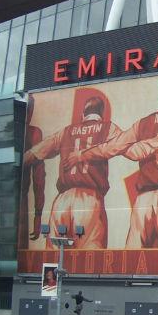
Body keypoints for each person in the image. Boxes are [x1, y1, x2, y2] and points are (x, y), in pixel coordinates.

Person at [65, 74, 158, 249]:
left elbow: (113, 146)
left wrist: (82, 154)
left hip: (144, 200)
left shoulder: (144, 123)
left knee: (133, 259)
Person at [23, 96, 119, 249]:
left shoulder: (66, 131)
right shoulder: (108, 128)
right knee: (90, 260)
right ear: (102, 113)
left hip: (62, 200)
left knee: (54, 258)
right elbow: (126, 143)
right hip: (89, 199)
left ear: (83, 114)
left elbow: (33, 154)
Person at [19, 95, 46, 248]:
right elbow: (39, 178)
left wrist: (37, 215)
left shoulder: (31, 133)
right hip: (21, 203)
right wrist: (38, 215)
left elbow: (39, 178)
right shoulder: (33, 133)